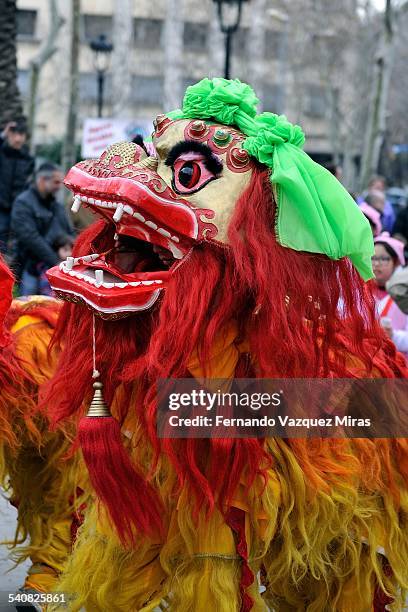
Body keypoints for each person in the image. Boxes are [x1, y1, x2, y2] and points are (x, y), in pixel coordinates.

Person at [42, 78, 408, 610]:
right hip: (187, 404)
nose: (148, 175)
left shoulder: (292, 355)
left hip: (267, 416)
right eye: (155, 156)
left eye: (185, 171)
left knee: (324, 553)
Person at [10, 163, 74, 296]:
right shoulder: (23, 203)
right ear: (42, 180)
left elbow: (69, 232)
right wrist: (56, 261)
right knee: (28, 310)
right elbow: (31, 238)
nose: (59, 186)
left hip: (56, 269)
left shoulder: (56, 206)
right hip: (31, 268)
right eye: (56, 182)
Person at [0, 121, 34, 254]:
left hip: (18, 206)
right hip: (1, 206)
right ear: (9, 135)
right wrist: (3, 134)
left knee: (18, 242)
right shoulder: (2, 152)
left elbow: (29, 182)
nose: (18, 138)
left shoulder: (28, 159)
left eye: (21, 135)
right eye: (14, 134)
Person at [371, 232, 408, 355]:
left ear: (396, 262)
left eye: (383, 259)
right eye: (373, 258)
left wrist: (393, 336)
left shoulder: (404, 295)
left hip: (398, 366)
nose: (376, 264)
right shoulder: (358, 292)